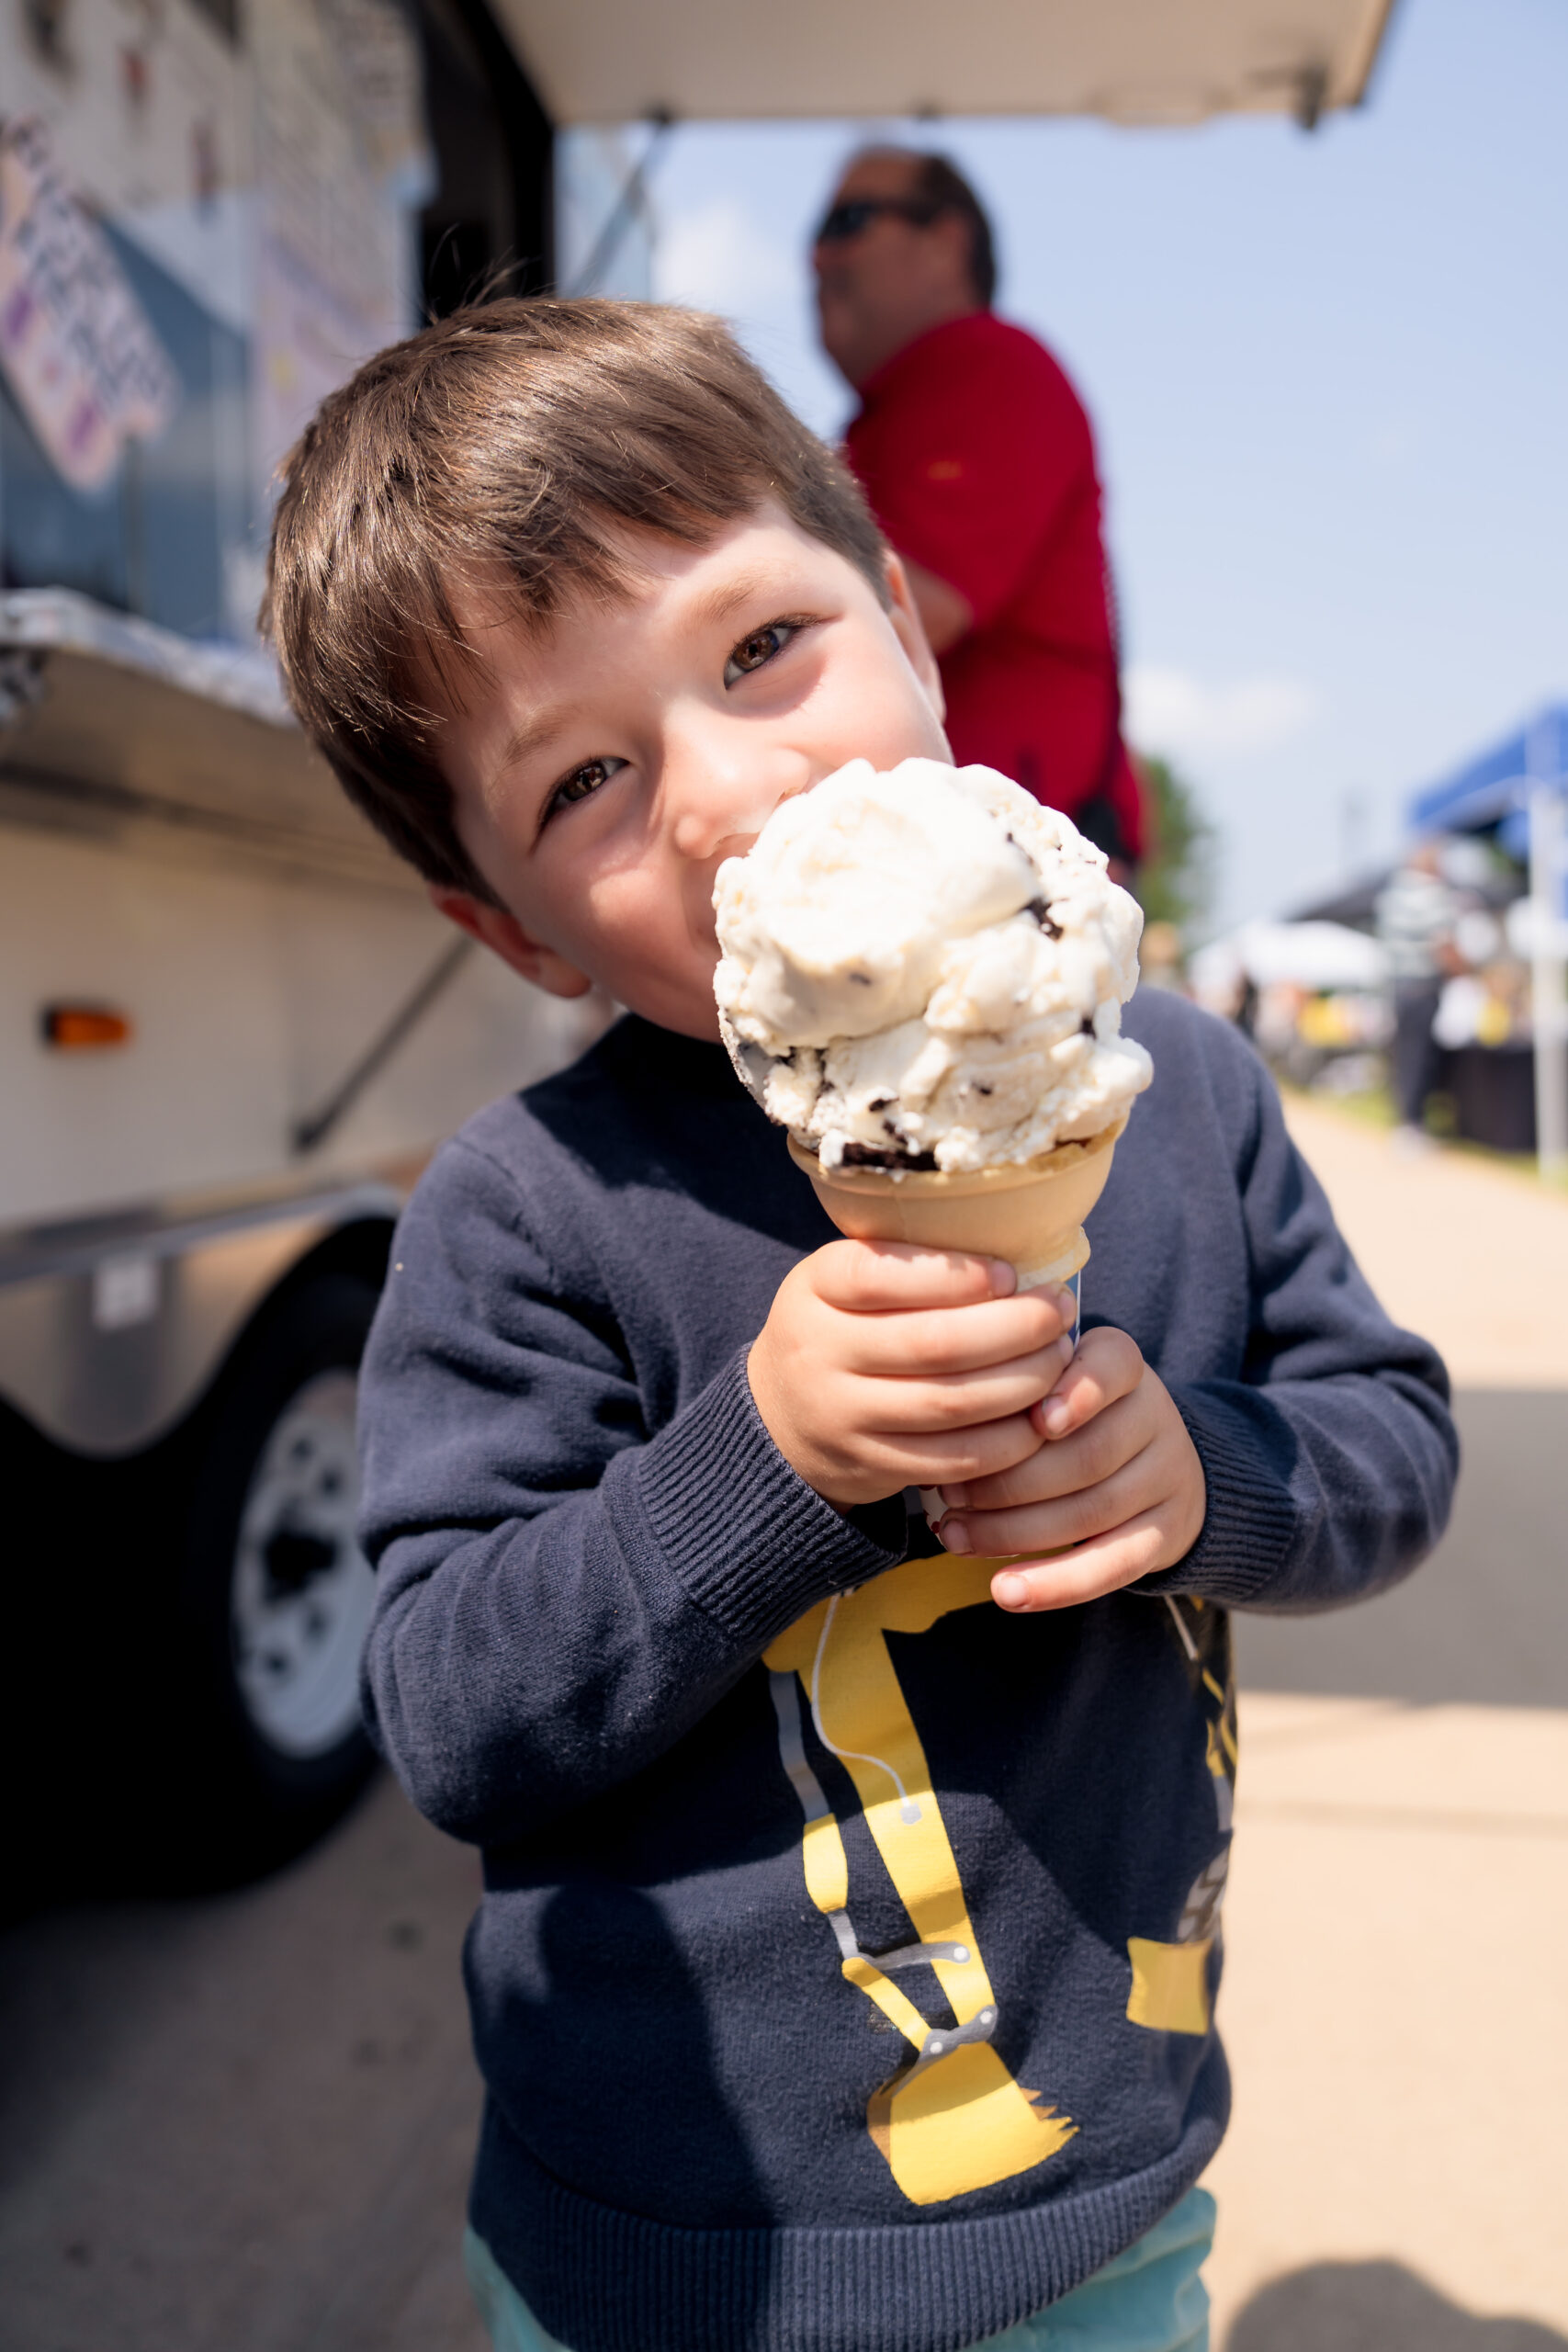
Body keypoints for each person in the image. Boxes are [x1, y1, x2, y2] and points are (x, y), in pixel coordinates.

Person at [264, 300, 1456, 2352]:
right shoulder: (530, 1213)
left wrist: (1207, 1472)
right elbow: (452, 1710)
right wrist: (767, 1460)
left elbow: (1390, 1438)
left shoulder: (1179, 1088)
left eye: (760, 649)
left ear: (905, 617)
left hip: (1100, 2182)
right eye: (589, 781)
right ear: (501, 919)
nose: (730, 791)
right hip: (670, 2244)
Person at [815, 147, 1145, 871]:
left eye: (849, 220)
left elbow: (908, 612)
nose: (817, 253)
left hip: (1010, 860)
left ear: (948, 241)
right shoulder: (894, 410)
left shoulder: (983, 364)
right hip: (976, 851)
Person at [1375, 840, 1465, 1146]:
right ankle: (1412, 1124)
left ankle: (1406, 1121)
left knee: (1405, 1055)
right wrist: (1468, 972)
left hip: (1398, 986)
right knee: (1420, 1056)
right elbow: (1444, 945)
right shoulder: (1432, 895)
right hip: (1422, 985)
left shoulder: (1393, 894)